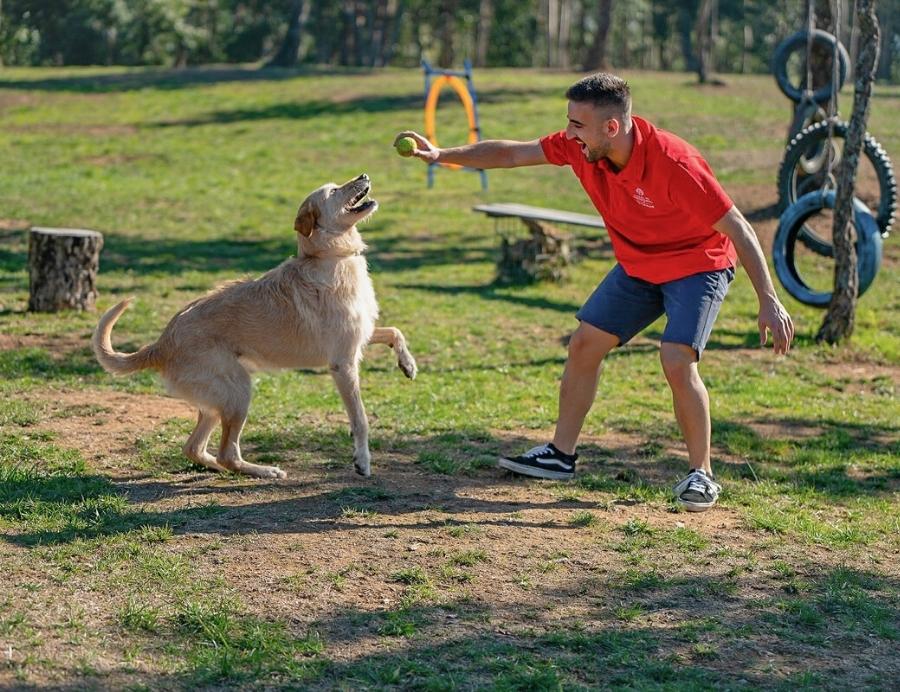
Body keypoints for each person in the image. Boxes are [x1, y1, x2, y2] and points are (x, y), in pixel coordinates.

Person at [395, 73, 793, 512]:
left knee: (676, 358)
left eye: (577, 125)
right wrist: (441, 155)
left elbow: (737, 225)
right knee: (585, 343)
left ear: (611, 127)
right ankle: (560, 455)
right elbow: (511, 153)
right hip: (639, 265)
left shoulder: (674, 163)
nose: (568, 134)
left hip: (698, 263)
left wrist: (769, 300)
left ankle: (702, 474)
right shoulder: (580, 148)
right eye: (568, 123)